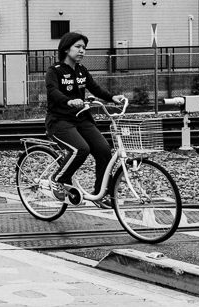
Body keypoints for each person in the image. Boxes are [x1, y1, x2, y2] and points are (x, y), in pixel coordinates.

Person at [45, 32, 125, 206]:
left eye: (84, 48)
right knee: (81, 149)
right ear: (66, 49)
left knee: (104, 151)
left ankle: (100, 194)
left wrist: (112, 98)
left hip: (81, 119)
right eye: (78, 47)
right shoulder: (55, 71)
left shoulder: (82, 70)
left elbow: (95, 89)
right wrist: (69, 100)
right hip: (59, 121)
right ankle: (57, 179)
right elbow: (53, 91)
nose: (82, 51)